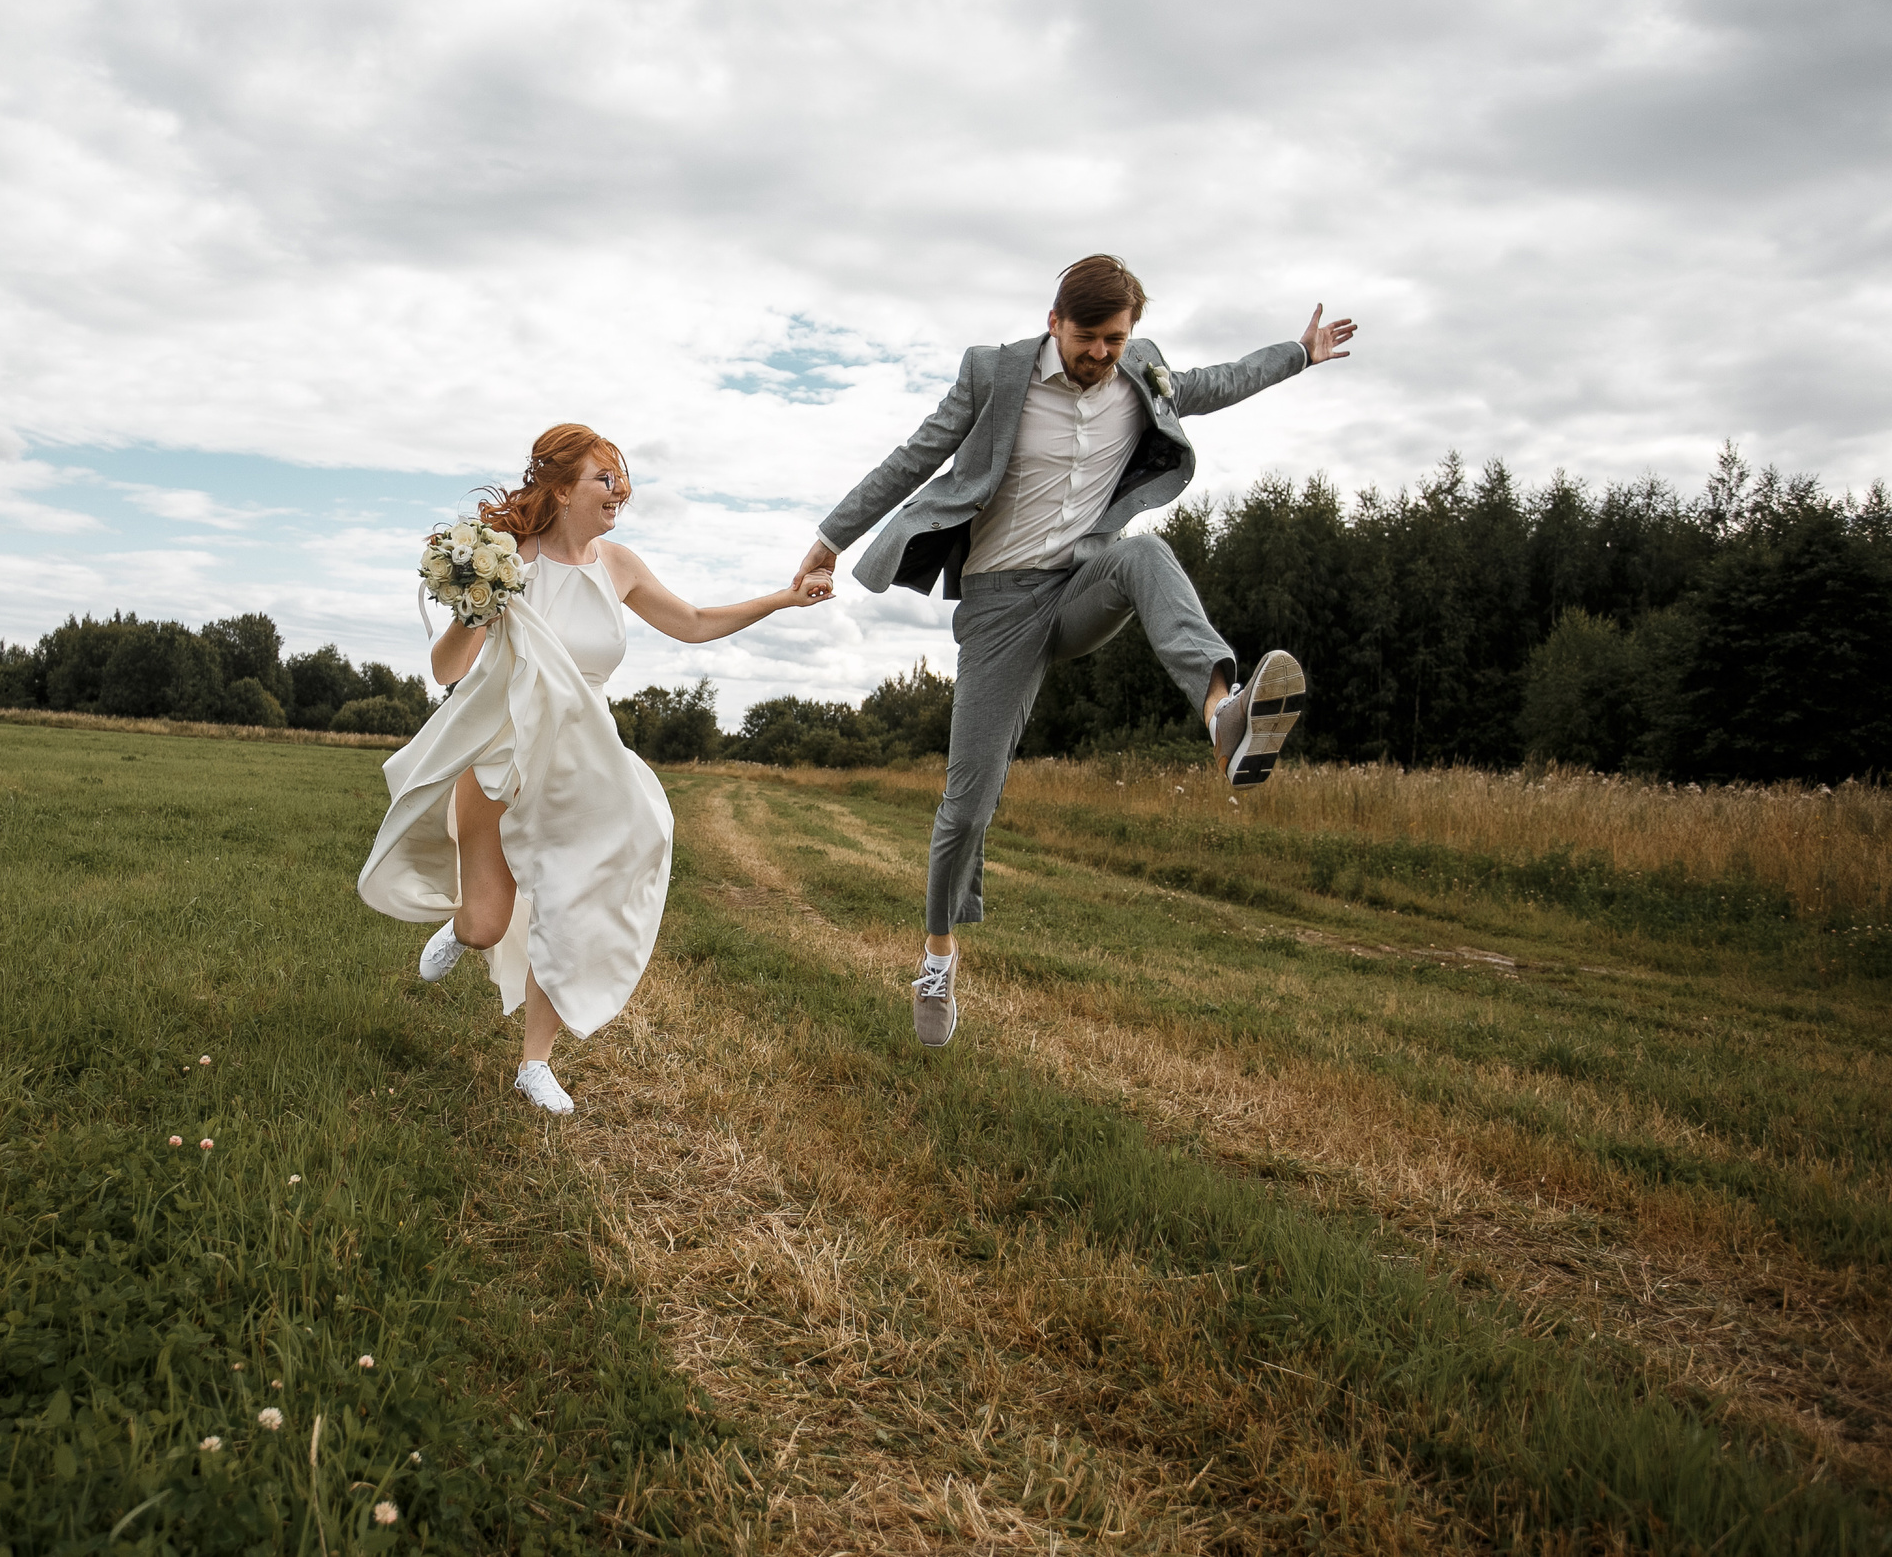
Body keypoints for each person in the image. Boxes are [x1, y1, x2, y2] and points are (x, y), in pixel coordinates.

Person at [788, 255, 1356, 1048]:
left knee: (1148, 555)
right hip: (998, 607)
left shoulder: (1143, 373)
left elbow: (1217, 382)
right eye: (1090, 338)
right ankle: (938, 959)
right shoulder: (993, 375)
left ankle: (1224, 716)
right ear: (1056, 322)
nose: (1102, 354)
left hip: (1083, 582)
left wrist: (1298, 354)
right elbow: (914, 457)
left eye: (1117, 339)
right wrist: (828, 540)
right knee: (967, 805)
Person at [358, 423, 834, 1115]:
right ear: (559, 488)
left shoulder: (619, 565)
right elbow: (446, 669)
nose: (620, 490)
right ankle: (464, 929)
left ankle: (534, 1063)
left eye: (621, 478)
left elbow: (696, 620)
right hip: (502, 757)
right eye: (603, 478)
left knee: (573, 900)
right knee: (489, 923)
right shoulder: (511, 560)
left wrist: (784, 598)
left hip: (583, 765)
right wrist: (475, 604)